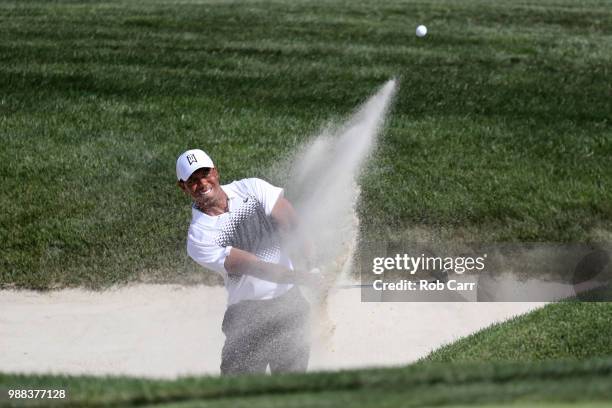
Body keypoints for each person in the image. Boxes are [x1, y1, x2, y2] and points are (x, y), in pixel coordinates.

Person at [176, 148, 318, 375]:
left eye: (205, 174)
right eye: (192, 180)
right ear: (182, 187)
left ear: (216, 171)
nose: (202, 183)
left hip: (290, 307)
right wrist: (303, 278)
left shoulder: (252, 188)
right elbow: (253, 266)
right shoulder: (199, 237)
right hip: (247, 320)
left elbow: (291, 222)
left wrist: (313, 265)